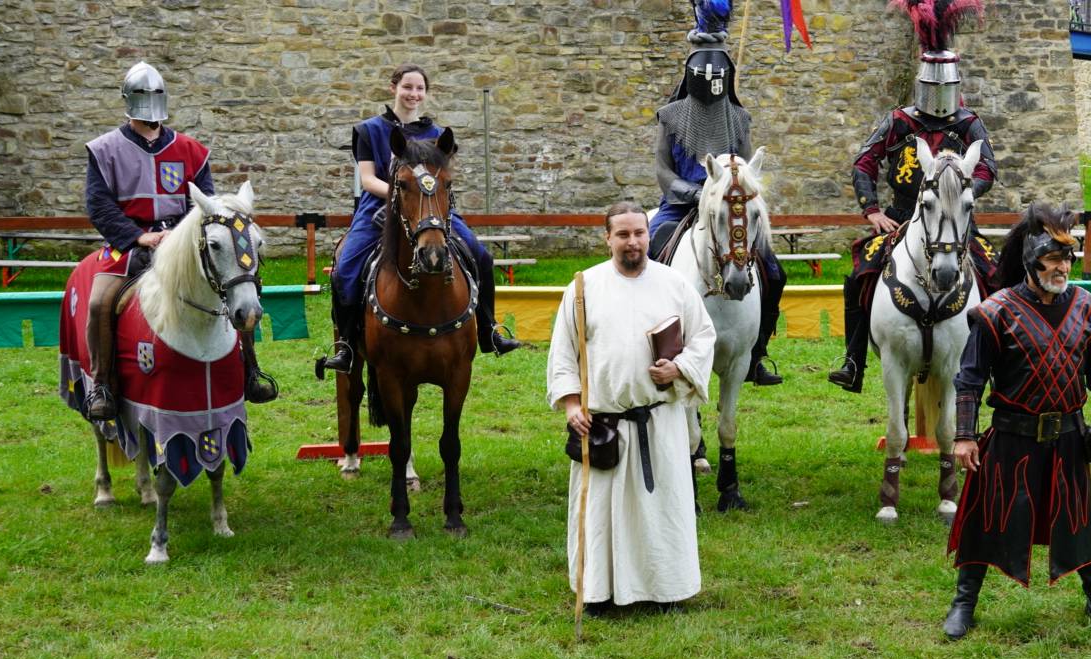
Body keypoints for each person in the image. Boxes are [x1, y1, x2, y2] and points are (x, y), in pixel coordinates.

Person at [940, 203, 1091, 640]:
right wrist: (965, 436)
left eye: (1067, 259)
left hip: (1068, 435)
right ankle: (964, 603)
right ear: (1031, 260)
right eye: (1052, 259)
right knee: (983, 519)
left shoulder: (1089, 311)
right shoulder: (996, 313)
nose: (1062, 267)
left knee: (1078, 519)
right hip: (1011, 437)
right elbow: (970, 378)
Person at [547, 202, 717, 613]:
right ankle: (599, 593)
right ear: (607, 238)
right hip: (603, 424)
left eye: (639, 233)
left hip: (659, 422)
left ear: (648, 235)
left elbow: (703, 337)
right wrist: (572, 404)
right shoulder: (584, 287)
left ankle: (666, 589)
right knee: (600, 517)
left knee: (661, 515)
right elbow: (564, 352)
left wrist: (678, 368)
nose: (632, 242)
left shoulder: (674, 284)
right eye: (622, 234)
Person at [83, 61, 276, 421]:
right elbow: (98, 204)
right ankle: (103, 386)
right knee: (99, 304)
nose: (149, 107)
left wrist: (182, 234)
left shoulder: (192, 150)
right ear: (127, 100)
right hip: (130, 244)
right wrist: (140, 236)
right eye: (143, 97)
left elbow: (210, 206)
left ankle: (251, 371)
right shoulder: (105, 149)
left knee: (238, 289)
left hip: (185, 243)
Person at [830, 0, 998, 393]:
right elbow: (863, 164)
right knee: (859, 276)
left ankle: (994, 361)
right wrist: (871, 211)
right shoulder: (899, 121)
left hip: (955, 222)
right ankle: (854, 359)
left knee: (996, 272)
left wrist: (961, 194)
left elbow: (988, 167)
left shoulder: (969, 123)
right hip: (901, 216)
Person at [318, 63, 520, 377]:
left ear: (425, 93)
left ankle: (489, 330)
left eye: (419, 88)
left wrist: (426, 200)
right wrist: (400, 196)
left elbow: (442, 180)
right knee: (346, 267)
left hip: (434, 211)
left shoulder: (438, 134)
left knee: (481, 256)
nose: (414, 94)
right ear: (393, 88)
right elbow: (368, 179)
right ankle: (346, 344)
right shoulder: (369, 130)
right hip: (379, 207)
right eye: (407, 87)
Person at [649, 0, 786, 386]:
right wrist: (691, 193)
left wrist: (732, 191)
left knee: (773, 271)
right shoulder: (670, 115)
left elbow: (744, 170)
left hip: (731, 208)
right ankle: (654, 345)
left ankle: (756, 353)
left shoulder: (739, 118)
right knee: (650, 253)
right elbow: (662, 168)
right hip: (679, 207)